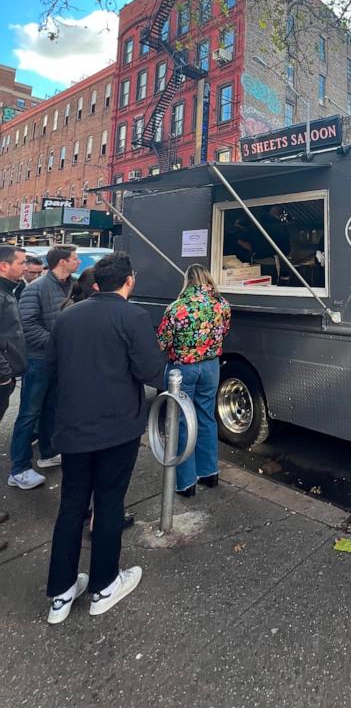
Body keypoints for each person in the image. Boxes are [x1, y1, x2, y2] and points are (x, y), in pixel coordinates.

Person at [45, 251, 165, 624]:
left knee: (71, 505)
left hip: (73, 428)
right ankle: (104, 586)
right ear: (130, 280)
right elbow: (150, 370)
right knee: (109, 502)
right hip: (116, 428)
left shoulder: (66, 317)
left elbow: (52, 369)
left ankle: (61, 594)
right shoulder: (133, 316)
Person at [8, 244, 80, 489]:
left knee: (52, 407)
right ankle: (19, 467)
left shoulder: (73, 285)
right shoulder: (36, 289)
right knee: (30, 412)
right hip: (39, 360)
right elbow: (27, 326)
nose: (78, 261)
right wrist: (57, 344)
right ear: (62, 262)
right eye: (74, 258)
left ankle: (48, 453)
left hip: (61, 360)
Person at [157, 265, 231, 497]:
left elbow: (162, 341)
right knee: (206, 416)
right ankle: (209, 473)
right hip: (211, 366)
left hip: (183, 370)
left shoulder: (176, 308)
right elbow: (224, 332)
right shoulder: (222, 305)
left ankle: (186, 482)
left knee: (181, 421)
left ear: (187, 280)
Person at [0, 245, 28, 553]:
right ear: (3, 266)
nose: (25, 267)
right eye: (20, 263)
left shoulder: (11, 291)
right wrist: (4, 375)